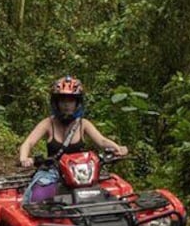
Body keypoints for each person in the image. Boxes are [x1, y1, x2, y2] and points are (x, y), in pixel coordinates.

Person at [18, 75, 128, 203]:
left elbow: (102, 141)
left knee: (109, 199)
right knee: (36, 199)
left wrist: (118, 148)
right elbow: (28, 143)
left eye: (70, 100)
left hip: (80, 173)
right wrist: (24, 158)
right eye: (62, 100)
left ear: (77, 103)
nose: (66, 105)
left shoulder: (83, 124)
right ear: (56, 103)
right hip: (52, 172)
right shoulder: (48, 123)